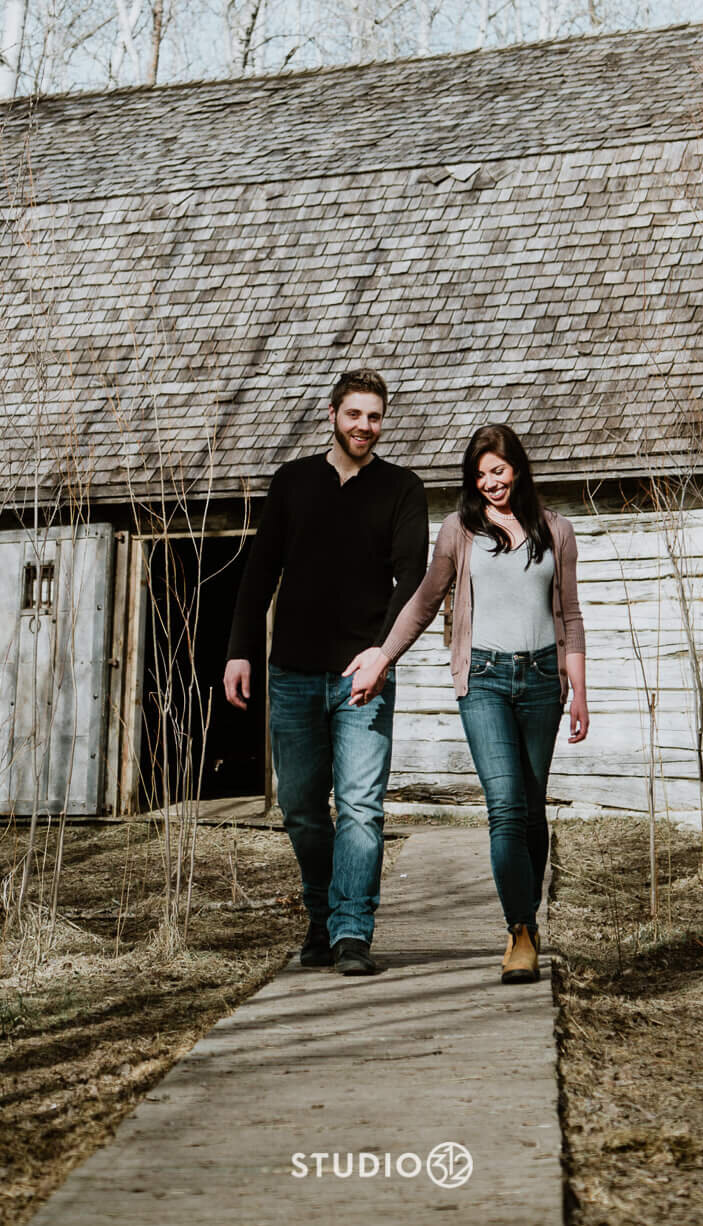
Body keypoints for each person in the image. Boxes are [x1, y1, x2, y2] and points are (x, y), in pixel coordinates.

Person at [345, 422, 587, 985]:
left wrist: (578, 691)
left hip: (542, 683)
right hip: (483, 680)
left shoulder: (557, 530)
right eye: (479, 475)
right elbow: (425, 601)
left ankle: (526, 919)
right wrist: (383, 655)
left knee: (530, 805)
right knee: (504, 803)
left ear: (518, 469)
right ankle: (520, 931)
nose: (489, 484)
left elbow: (570, 616)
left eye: (497, 471)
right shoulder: (458, 530)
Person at [223, 368, 428, 976]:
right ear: (333, 414)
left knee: (362, 808)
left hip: (362, 675)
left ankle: (351, 934)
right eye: (355, 414)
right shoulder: (292, 483)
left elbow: (412, 580)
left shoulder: (401, 489)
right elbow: (260, 571)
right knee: (302, 808)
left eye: (375, 416)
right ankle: (322, 914)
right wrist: (239, 649)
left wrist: (382, 654)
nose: (365, 426)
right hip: (291, 672)